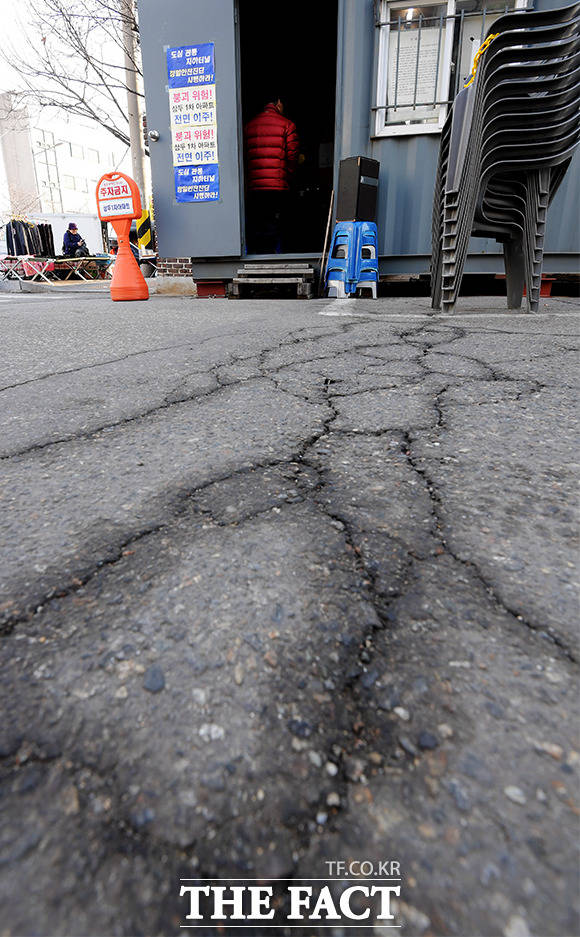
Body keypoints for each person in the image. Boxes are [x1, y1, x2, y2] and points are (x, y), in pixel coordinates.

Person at [244, 95, 299, 253]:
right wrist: (287, 176)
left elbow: (244, 157)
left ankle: (258, 253)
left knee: (257, 222)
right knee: (278, 223)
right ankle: (278, 254)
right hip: (278, 186)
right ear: (279, 102)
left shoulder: (249, 126)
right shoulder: (287, 125)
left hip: (255, 187)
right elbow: (292, 156)